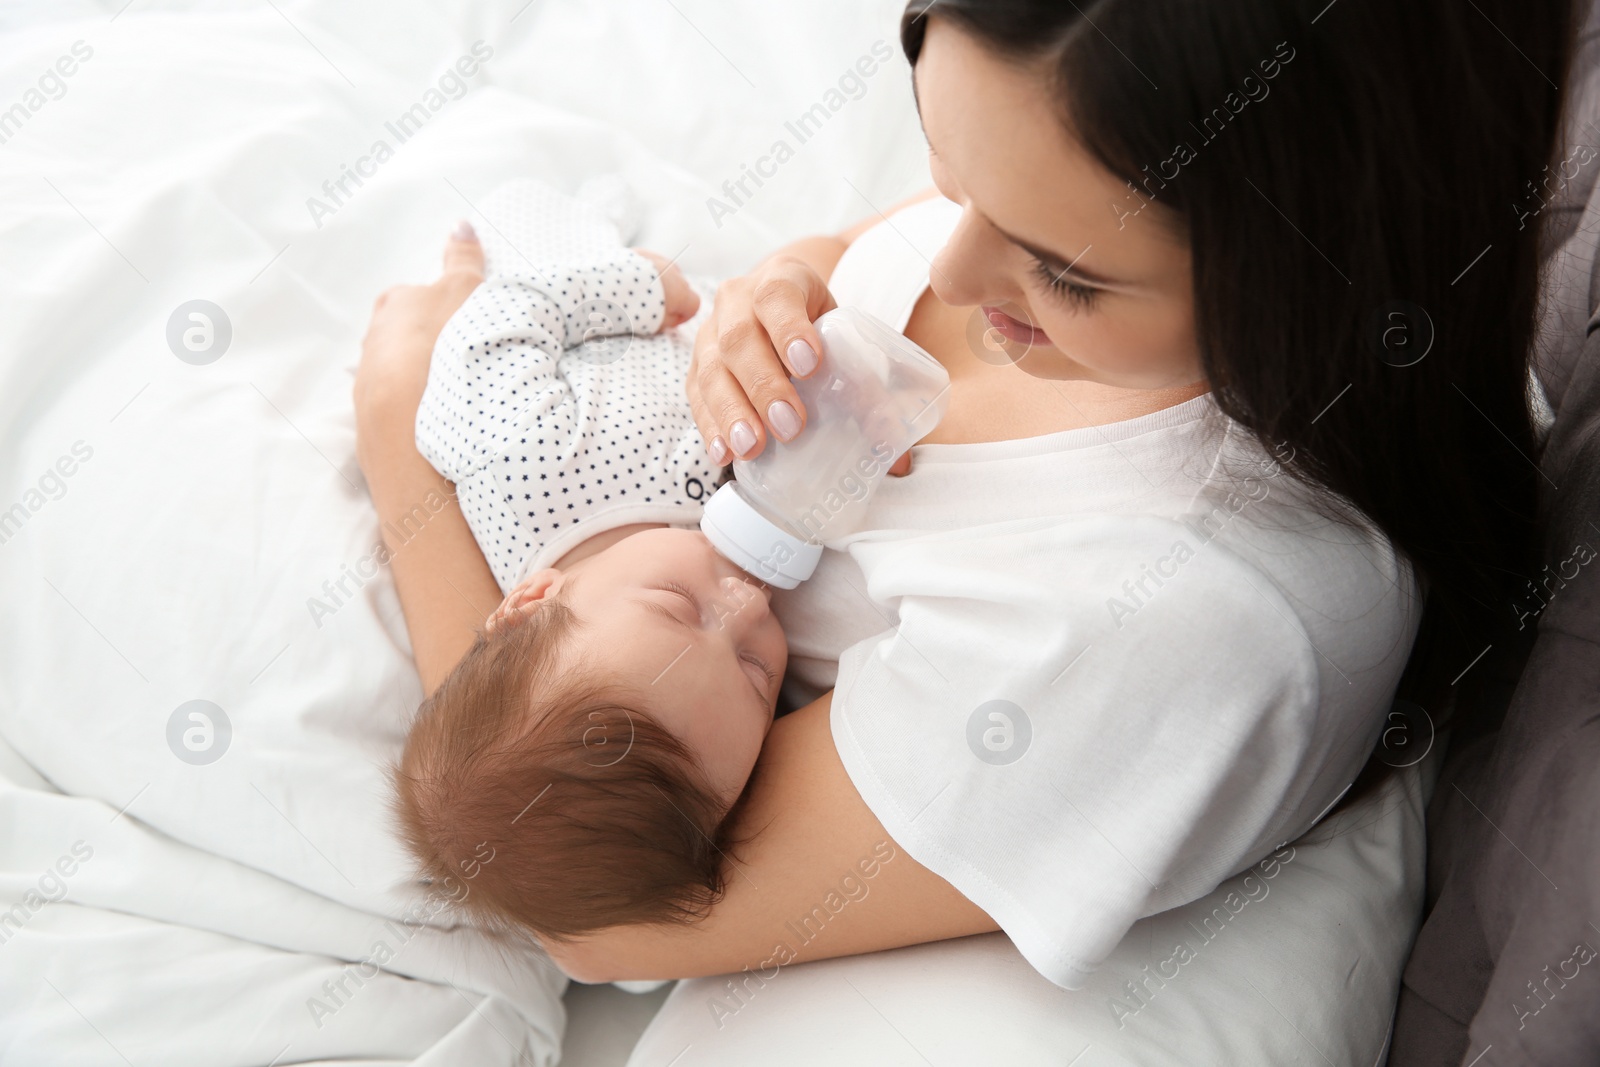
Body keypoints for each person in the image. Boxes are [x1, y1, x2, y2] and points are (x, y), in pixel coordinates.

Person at [353, 0, 1571, 1051]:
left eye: (1067, 276)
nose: (957, 271)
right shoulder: (1084, 163)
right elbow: (897, 251)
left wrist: (403, 431)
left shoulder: (1166, 619)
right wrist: (788, 279)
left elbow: (591, 906)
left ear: (1316, 259)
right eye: (948, 171)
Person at [393, 181, 787, 945]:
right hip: (720, 310)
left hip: (591, 292)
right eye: (754, 672)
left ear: (534, 598)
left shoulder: (528, 462)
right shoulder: (738, 558)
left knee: (538, 214)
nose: (747, 606)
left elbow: (492, 330)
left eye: (677, 604)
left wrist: (635, 288)